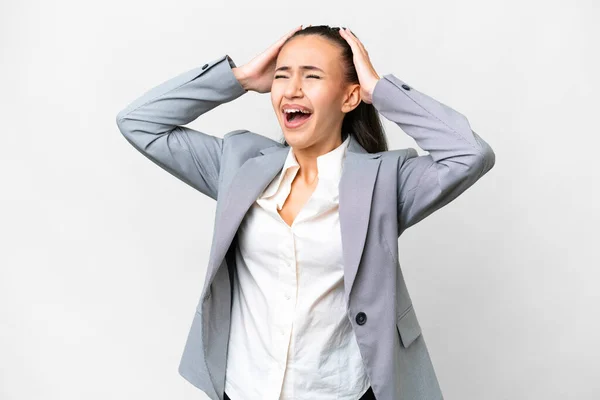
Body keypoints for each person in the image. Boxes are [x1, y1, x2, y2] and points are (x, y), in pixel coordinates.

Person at [116, 25, 495, 400]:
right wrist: (239, 78)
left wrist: (379, 90)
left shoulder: (385, 182)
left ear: (349, 98)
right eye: (282, 75)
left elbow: (469, 154)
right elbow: (139, 122)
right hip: (245, 388)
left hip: (341, 391)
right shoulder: (238, 165)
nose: (292, 89)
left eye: (311, 76)